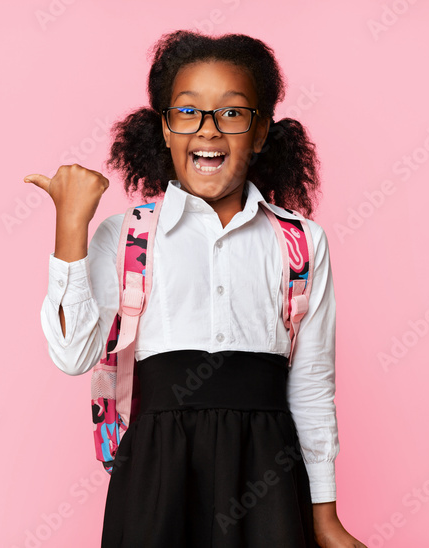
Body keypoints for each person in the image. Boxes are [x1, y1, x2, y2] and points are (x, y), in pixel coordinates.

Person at [24, 30, 366, 547]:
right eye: (187, 112)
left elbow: (312, 386)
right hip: (157, 476)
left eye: (232, 113)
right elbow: (74, 356)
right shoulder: (128, 236)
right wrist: (71, 229)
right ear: (164, 128)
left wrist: (324, 516)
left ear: (260, 131)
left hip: (267, 476)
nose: (208, 130)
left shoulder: (300, 242)